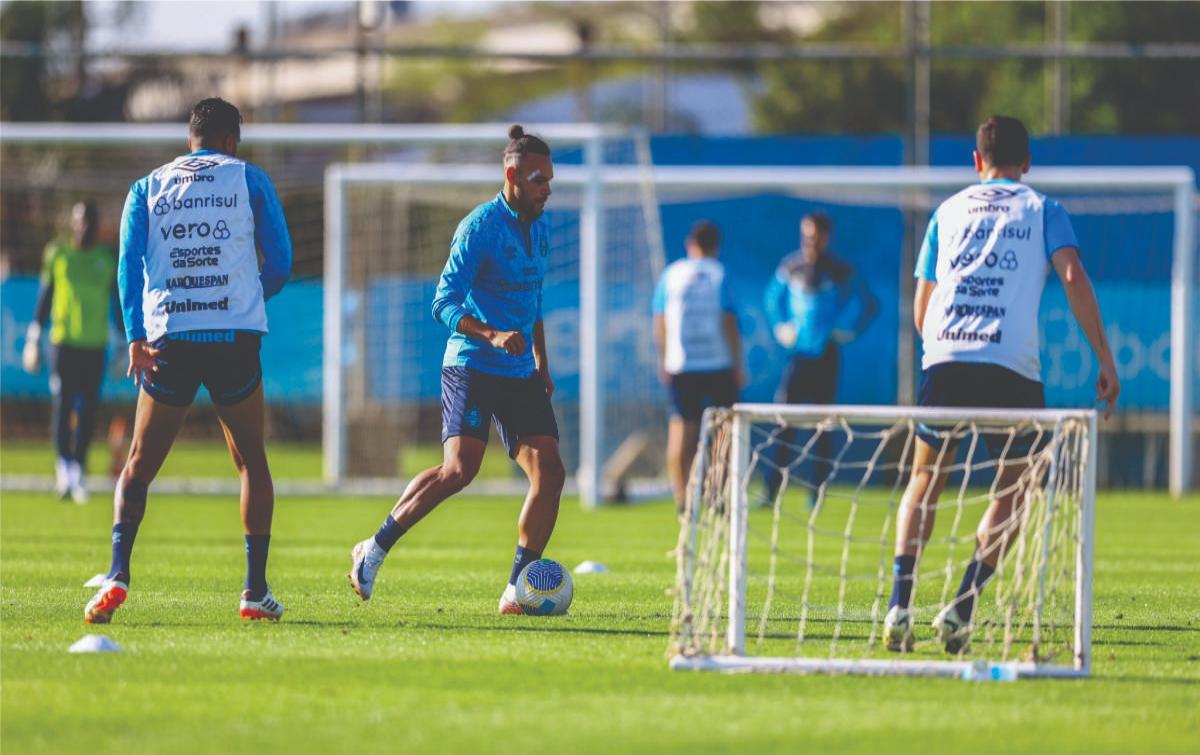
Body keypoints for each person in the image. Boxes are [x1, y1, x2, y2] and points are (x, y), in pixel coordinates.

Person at [882, 115, 1119, 653]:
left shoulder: (947, 210)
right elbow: (1073, 277)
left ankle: (899, 605)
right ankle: (961, 607)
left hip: (943, 356)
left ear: (976, 161)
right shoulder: (1043, 209)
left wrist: (950, 345)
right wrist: (1103, 356)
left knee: (926, 478)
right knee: (1014, 487)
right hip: (1009, 365)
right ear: (1027, 163)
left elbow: (922, 308)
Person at [83, 97, 293, 624]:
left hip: (169, 339)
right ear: (230, 141)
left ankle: (117, 572)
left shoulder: (147, 187)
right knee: (251, 463)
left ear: (190, 138)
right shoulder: (249, 179)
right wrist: (245, 297)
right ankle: (254, 590)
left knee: (137, 465)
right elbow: (283, 261)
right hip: (232, 339)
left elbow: (127, 265)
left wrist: (135, 335)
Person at [348, 124, 566, 615]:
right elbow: (442, 303)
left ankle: (516, 589)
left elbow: (533, 303)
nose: (546, 189)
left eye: (550, 180)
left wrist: (541, 363)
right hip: (471, 363)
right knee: (460, 470)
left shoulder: (543, 226)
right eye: (538, 179)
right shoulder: (479, 228)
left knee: (550, 472)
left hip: (520, 371)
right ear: (511, 175)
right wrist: (490, 334)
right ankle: (373, 549)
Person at [762, 212, 878, 499]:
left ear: (826, 237)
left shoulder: (839, 270)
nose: (810, 241)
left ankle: (817, 489)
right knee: (785, 421)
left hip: (827, 355)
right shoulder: (791, 267)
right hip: (799, 355)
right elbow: (771, 300)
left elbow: (869, 304)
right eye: (806, 235)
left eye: (815, 236)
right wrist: (780, 327)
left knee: (822, 425)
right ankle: (771, 489)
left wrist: (850, 330)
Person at [22, 200, 121, 504]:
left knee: (88, 408)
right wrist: (34, 335)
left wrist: (122, 344)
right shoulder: (58, 254)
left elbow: (116, 304)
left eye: (91, 222)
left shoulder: (106, 259)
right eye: (81, 221)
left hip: (94, 346)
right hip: (62, 343)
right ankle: (63, 467)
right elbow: (45, 297)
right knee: (63, 405)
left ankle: (78, 469)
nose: (85, 227)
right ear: (73, 223)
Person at [652, 221, 742, 514]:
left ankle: (683, 500)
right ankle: (716, 495)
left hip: (681, 364)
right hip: (717, 363)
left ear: (691, 243)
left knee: (681, 429)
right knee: (723, 431)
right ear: (715, 247)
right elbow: (729, 321)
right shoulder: (720, 273)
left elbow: (660, 320)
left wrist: (664, 356)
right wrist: (738, 363)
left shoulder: (672, 274)